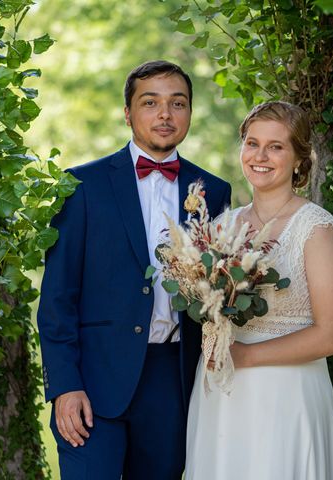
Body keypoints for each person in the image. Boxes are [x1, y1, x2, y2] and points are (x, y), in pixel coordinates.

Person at [37, 60, 231, 479]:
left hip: (174, 380)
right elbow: (57, 300)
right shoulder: (80, 188)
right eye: (151, 103)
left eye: (177, 103)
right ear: (128, 113)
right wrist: (64, 385)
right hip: (92, 380)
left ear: (190, 113)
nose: (165, 114)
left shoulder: (215, 191)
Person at [185, 101, 333, 479]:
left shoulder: (315, 229)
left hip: (287, 393)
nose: (260, 156)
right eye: (252, 143)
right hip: (223, 395)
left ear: (298, 160)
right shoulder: (220, 228)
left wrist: (245, 356)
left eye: (276, 146)